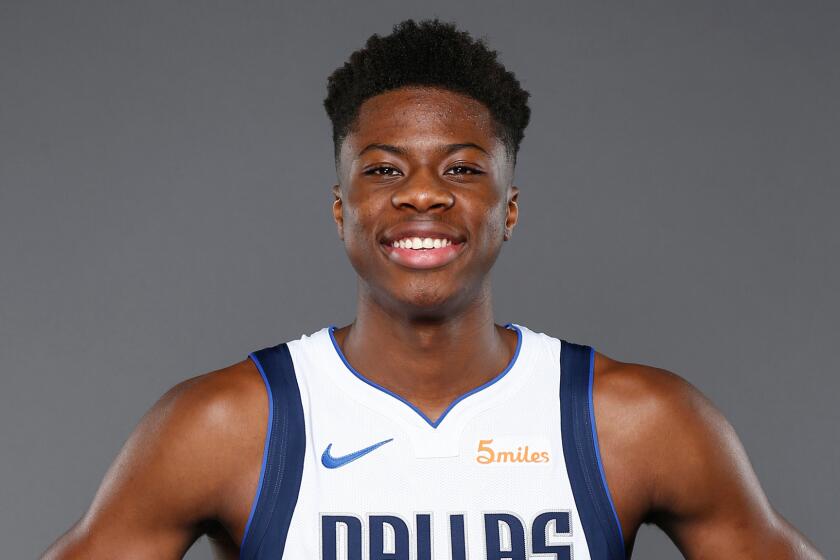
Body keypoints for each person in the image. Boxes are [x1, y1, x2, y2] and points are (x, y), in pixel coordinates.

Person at [42, 18, 823, 560]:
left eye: (462, 169)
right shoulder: (229, 426)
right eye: (383, 169)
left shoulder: (633, 422)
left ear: (507, 208)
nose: (422, 195)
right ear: (341, 207)